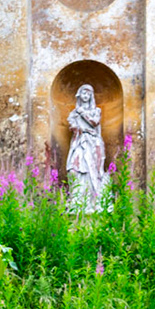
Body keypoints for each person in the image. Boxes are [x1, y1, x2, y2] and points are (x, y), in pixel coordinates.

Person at [66, 83, 106, 212]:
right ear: (79, 94)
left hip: (93, 144)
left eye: (89, 93)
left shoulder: (96, 111)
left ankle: (93, 201)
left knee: (93, 170)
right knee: (74, 168)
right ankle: (77, 199)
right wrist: (77, 127)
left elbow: (95, 122)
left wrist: (82, 113)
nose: (86, 96)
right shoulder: (74, 113)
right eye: (84, 93)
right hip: (79, 141)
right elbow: (72, 125)